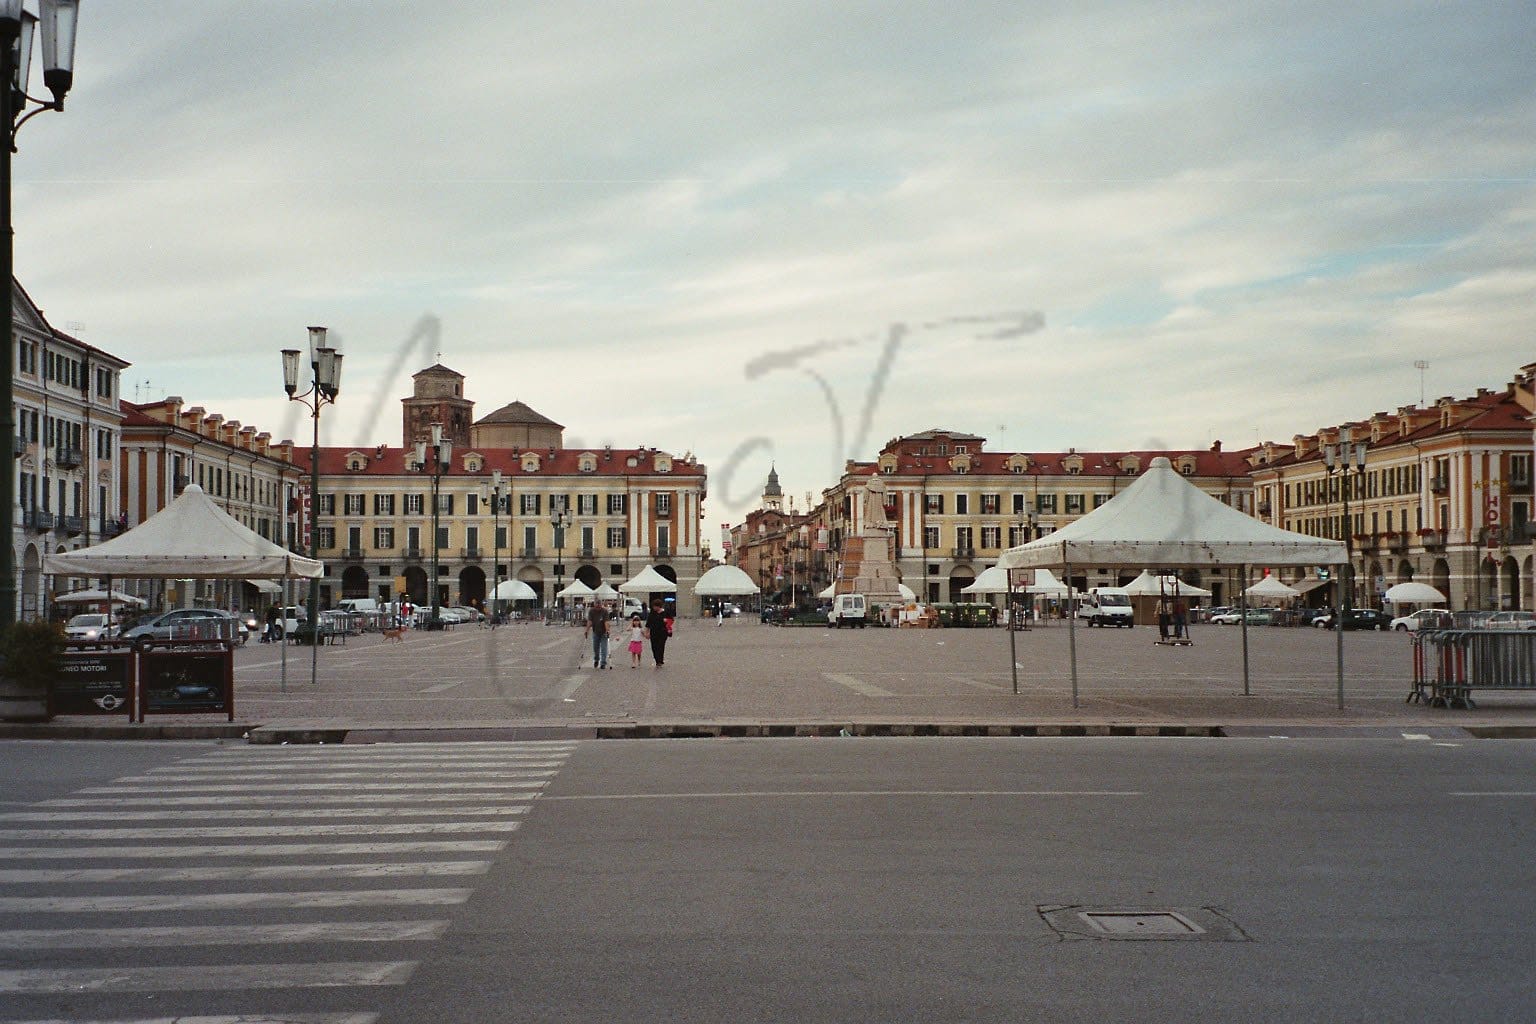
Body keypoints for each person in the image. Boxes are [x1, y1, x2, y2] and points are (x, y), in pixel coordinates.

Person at [584, 600, 612, 669]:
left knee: (603, 648)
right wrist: (587, 630)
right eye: (596, 606)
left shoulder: (604, 611)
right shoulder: (591, 611)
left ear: (601, 605)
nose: (598, 608)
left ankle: (603, 663)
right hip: (595, 631)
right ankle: (596, 659)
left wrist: (607, 630)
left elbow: (606, 622)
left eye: (599, 606)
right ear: (594, 605)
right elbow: (590, 621)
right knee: (595, 648)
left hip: (603, 632)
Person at [644, 599, 670, 667]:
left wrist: (667, 623)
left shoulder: (665, 613)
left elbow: (670, 621)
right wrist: (647, 632)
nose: (654, 608)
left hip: (663, 632)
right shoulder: (652, 614)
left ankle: (660, 660)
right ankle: (656, 659)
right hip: (653, 632)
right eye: (653, 606)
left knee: (661, 646)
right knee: (654, 646)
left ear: (659, 606)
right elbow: (648, 624)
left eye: (656, 606)